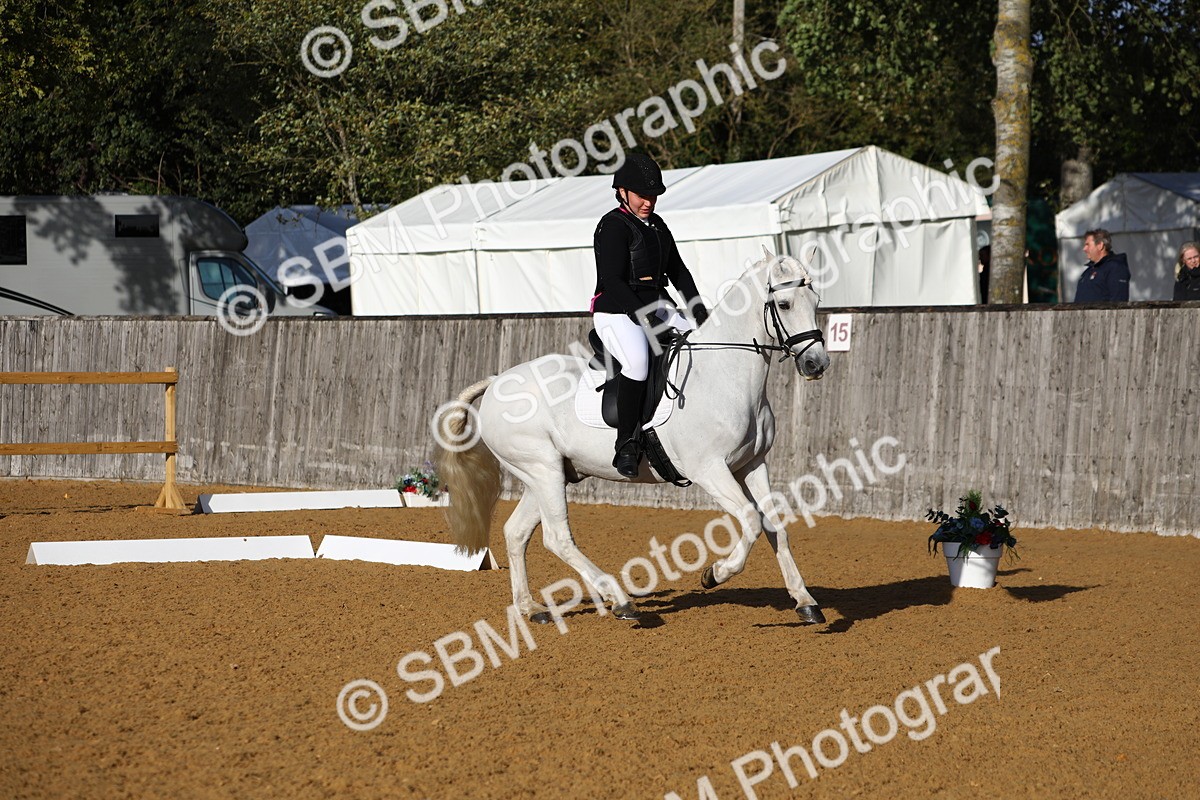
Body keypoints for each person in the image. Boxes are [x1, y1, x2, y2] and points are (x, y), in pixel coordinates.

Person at [592, 153, 709, 478]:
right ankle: (626, 444)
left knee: (701, 345)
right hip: (616, 311)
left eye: (653, 196)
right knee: (638, 363)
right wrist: (643, 316)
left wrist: (698, 310)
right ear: (623, 192)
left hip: (659, 306)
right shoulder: (612, 226)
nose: (649, 202)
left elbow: (679, 272)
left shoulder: (657, 226)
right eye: (643, 195)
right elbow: (612, 281)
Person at [1073, 228, 1130, 303]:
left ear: (1100, 245)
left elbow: (1118, 303)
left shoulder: (1115, 268)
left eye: (1088, 244)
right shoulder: (1087, 272)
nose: (1084, 249)